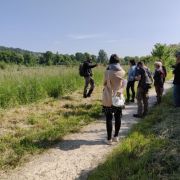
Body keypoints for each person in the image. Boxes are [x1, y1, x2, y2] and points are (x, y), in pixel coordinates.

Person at [102, 54, 125, 145]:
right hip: (118, 98)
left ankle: (108, 139)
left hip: (109, 97)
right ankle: (116, 137)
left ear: (110, 61)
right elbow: (122, 83)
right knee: (118, 117)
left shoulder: (107, 72)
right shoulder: (122, 71)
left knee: (108, 118)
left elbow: (104, 83)